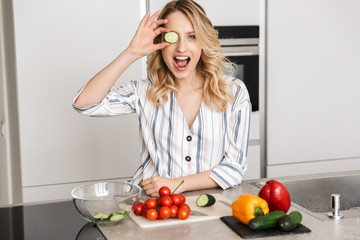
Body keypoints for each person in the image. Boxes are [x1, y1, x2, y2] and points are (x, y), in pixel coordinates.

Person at [73, 0, 251, 197]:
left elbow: (234, 168)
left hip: (209, 206)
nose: (181, 48)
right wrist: (131, 53)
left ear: (203, 42)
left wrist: (177, 184)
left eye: (192, 36)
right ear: (160, 43)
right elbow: (85, 105)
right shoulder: (143, 92)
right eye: (172, 37)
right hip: (151, 205)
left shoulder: (234, 93)